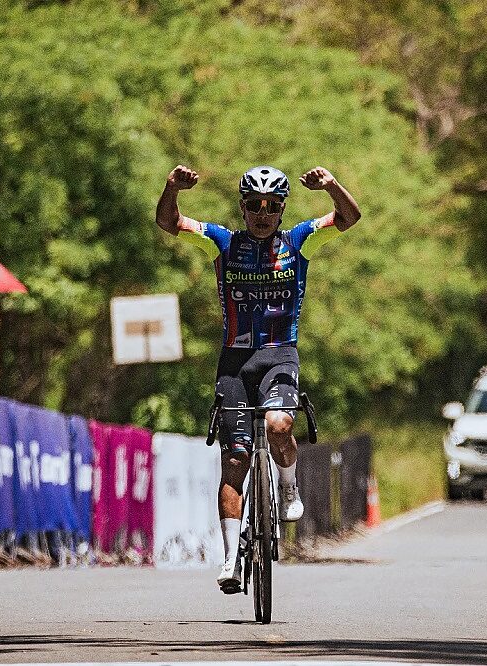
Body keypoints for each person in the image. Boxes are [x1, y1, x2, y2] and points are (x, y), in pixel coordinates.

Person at [156, 164, 360, 593]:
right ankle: (230, 558)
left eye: (271, 206)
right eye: (254, 205)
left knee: (279, 423)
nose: (262, 213)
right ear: (243, 207)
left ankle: (288, 487)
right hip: (235, 361)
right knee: (235, 459)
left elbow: (348, 218)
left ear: (282, 209)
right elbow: (169, 222)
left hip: (279, 355)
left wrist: (331, 187)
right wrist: (172, 188)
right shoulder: (222, 242)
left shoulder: (299, 240)